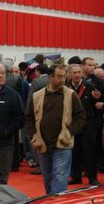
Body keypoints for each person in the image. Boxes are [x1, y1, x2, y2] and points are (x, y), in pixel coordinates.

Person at [26, 65, 86, 194]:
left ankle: (56, 202)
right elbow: (29, 117)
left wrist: (70, 132)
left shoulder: (71, 94)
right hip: (42, 144)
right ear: (50, 77)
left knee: (60, 175)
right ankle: (51, 200)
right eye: (59, 76)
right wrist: (33, 135)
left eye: (64, 76)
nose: (62, 79)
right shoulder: (37, 96)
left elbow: (80, 117)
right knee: (47, 177)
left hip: (63, 144)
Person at [67, 65, 99, 186]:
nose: (77, 75)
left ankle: (92, 177)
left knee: (89, 152)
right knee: (74, 153)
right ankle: (76, 176)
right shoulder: (66, 87)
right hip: (73, 125)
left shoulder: (89, 87)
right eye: (74, 72)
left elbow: (96, 106)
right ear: (70, 74)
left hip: (88, 125)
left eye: (79, 72)